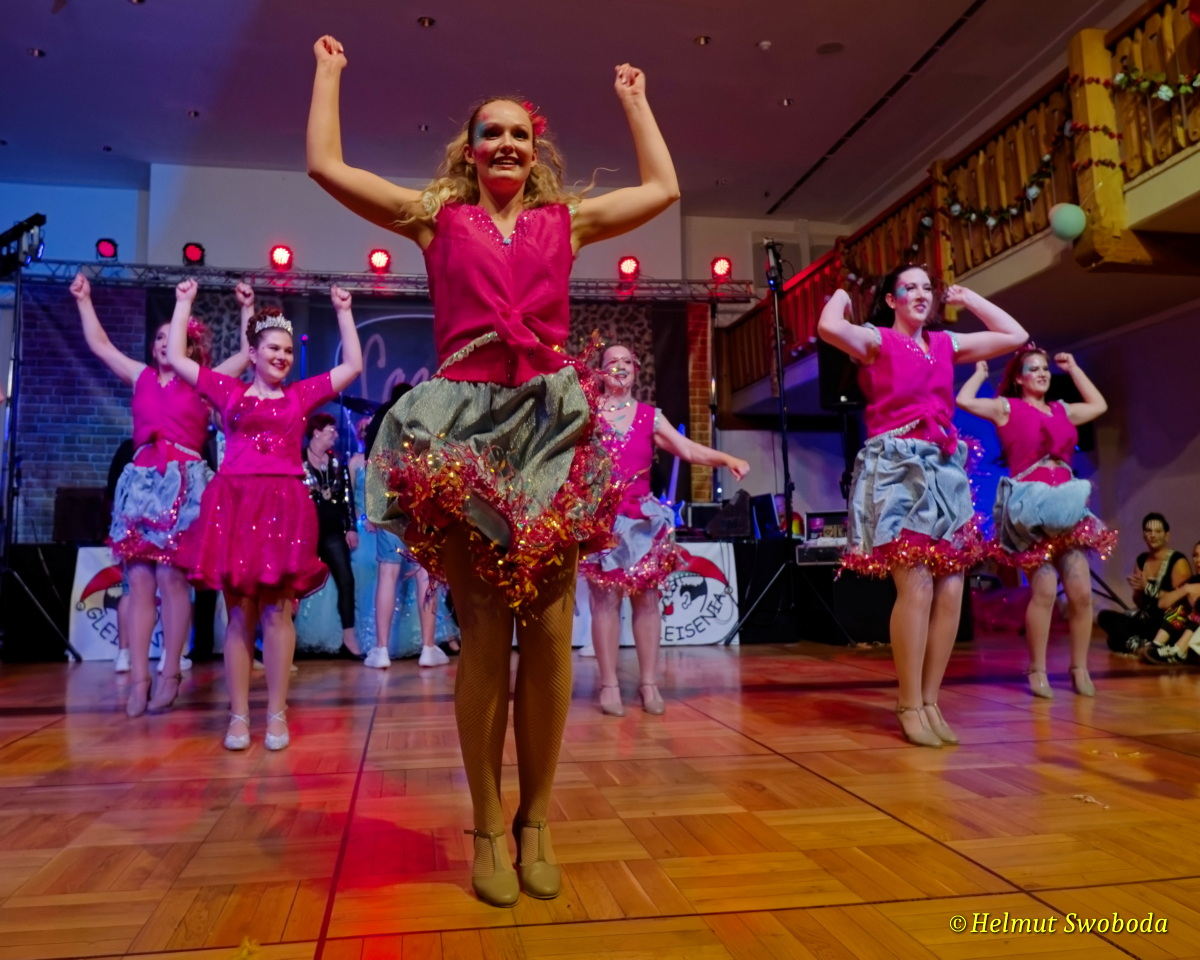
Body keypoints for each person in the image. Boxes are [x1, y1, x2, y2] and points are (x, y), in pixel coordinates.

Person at [307, 34, 679, 906]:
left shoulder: (565, 221)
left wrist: (634, 101)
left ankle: (536, 818)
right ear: (469, 150)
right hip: (468, 428)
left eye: (519, 133)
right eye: (491, 133)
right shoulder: (435, 217)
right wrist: (329, 74)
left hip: (549, 427)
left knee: (548, 630)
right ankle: (483, 820)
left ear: (533, 148)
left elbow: (663, 188)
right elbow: (325, 165)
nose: (506, 143)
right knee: (481, 629)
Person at [818, 266, 1027, 747]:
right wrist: (841, 295)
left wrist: (969, 299)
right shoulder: (876, 340)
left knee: (952, 590)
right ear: (892, 300)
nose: (920, 294)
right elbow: (829, 327)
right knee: (916, 586)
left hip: (944, 469)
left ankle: (931, 701)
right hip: (897, 468)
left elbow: (1015, 335)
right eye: (908, 287)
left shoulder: (945, 344)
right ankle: (908, 703)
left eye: (927, 288)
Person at [169, 279, 362, 751]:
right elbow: (176, 358)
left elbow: (353, 366)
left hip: (283, 509)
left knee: (277, 613)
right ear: (252, 353)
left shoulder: (299, 397)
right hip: (235, 506)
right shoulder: (229, 392)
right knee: (239, 615)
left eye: (287, 351)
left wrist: (344, 312)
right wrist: (183, 303)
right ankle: (238, 716)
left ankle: (277, 713)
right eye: (273, 348)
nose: (281, 356)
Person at [72, 273, 251, 716]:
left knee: (173, 580)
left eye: (172, 337)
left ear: (188, 346)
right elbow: (101, 346)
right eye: (158, 337)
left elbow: (247, 355)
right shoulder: (141, 377)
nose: (162, 343)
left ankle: (170, 671)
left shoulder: (203, 380)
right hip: (140, 483)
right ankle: (139, 679)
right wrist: (84, 299)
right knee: (138, 581)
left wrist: (248, 307)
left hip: (183, 484)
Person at [583, 343, 748, 716]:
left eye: (627, 361)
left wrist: (726, 458)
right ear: (600, 372)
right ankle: (609, 685)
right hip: (602, 522)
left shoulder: (650, 417)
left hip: (642, 523)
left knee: (647, 602)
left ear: (636, 369)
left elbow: (688, 450)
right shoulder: (588, 415)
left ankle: (649, 685)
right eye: (612, 361)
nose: (620, 366)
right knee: (604, 603)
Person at [957, 347, 1114, 697]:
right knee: (1044, 589)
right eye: (1033, 368)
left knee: (1081, 592)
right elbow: (964, 400)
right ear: (1019, 377)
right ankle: (1037, 669)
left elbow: (1099, 405)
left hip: (1067, 507)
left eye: (1045, 369)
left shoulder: (1062, 410)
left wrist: (1073, 369)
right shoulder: (1007, 408)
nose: (1042, 373)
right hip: (1030, 510)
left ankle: (1079, 667)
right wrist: (980, 374)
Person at [302, 412, 362, 657]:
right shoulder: (297, 460)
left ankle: (349, 637)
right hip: (304, 531)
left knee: (346, 578)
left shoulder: (336, 462)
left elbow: (347, 498)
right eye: (331, 431)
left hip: (332, 531)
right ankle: (286, 639)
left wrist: (351, 527)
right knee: (293, 582)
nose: (335, 435)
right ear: (316, 432)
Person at [1097, 512, 1192, 654]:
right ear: (1144, 535)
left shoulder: (1178, 561)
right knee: (1104, 616)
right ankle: (1141, 646)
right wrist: (1137, 590)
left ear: (1167, 535)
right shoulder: (1142, 560)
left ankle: (1136, 644)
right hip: (1145, 618)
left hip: (1165, 623)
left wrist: (1147, 587)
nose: (1153, 535)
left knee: (1114, 641)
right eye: (1149, 531)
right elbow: (1140, 603)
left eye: (1158, 531)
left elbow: (1181, 603)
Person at [1144, 540, 1200, 665]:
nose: (1198, 560)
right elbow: (1162, 603)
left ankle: (1179, 651)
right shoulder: (1193, 580)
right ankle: (1156, 644)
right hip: (1184, 630)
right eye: (1195, 555)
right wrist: (1186, 589)